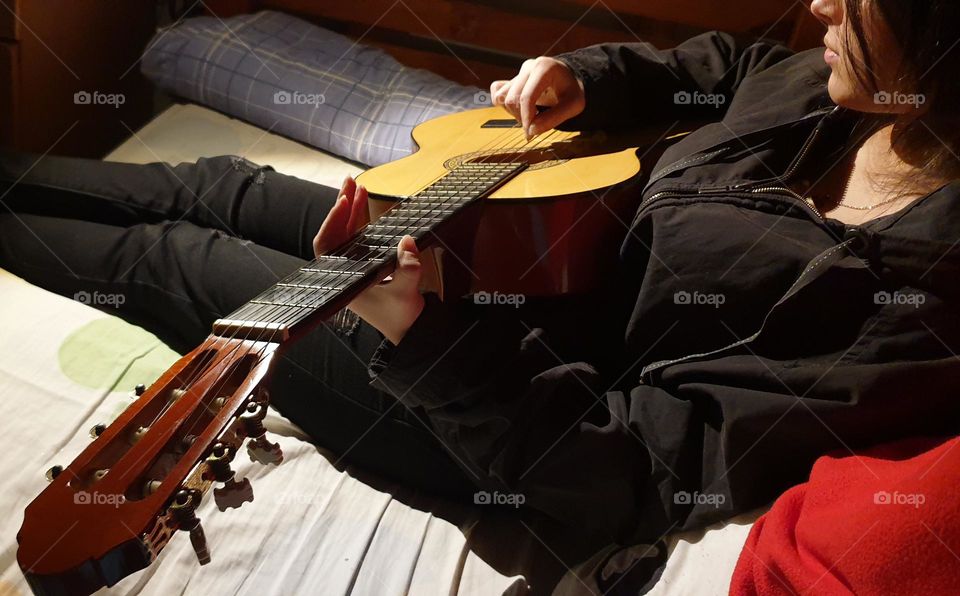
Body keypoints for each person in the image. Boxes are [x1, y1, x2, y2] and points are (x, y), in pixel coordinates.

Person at [1, 0, 958, 544]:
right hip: (529, 250)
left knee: (176, 258)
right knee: (224, 185)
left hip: (513, 406)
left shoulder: (918, 304)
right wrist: (595, 77)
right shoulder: (844, 92)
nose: (823, 3)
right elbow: (729, 63)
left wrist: (424, 336)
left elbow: (641, 474)